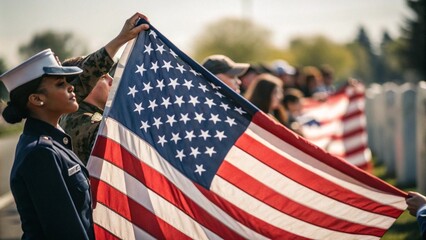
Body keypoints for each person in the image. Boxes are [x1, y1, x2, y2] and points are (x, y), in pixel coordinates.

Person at [0, 12, 149, 239]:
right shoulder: (40, 153)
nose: (71, 88)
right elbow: (66, 232)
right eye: (61, 84)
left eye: (70, 83)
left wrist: (121, 39)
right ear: (37, 99)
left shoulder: (56, 141)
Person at [59, 61, 116, 165]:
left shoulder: (65, 117)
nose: (112, 81)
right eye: (103, 77)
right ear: (85, 85)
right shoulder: (94, 125)